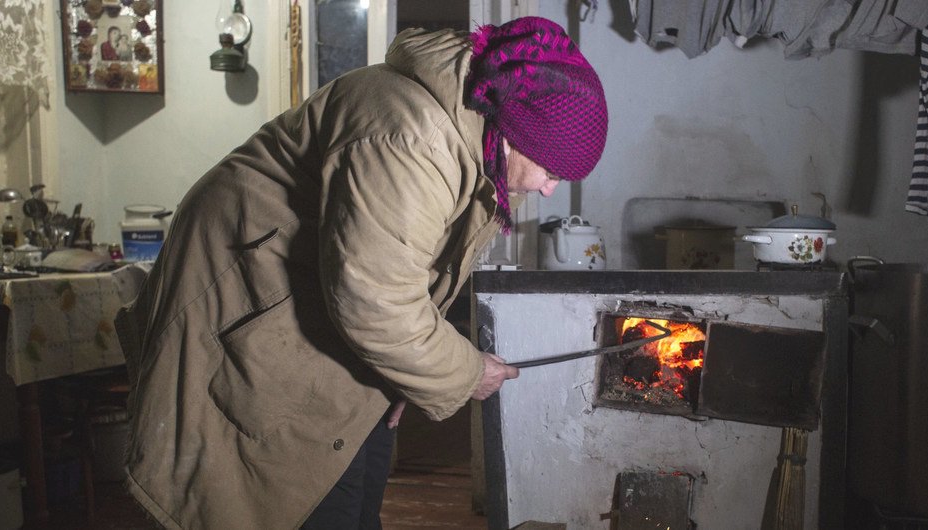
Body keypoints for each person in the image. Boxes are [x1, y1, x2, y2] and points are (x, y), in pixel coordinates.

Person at [116, 16, 607, 529]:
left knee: (357, 474)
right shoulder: (412, 139)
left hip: (320, 293)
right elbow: (376, 304)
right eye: (552, 171)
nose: (549, 189)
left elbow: (402, 269)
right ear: (512, 136)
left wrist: (402, 375)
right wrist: (466, 373)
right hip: (248, 291)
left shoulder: (475, 140)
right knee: (303, 487)